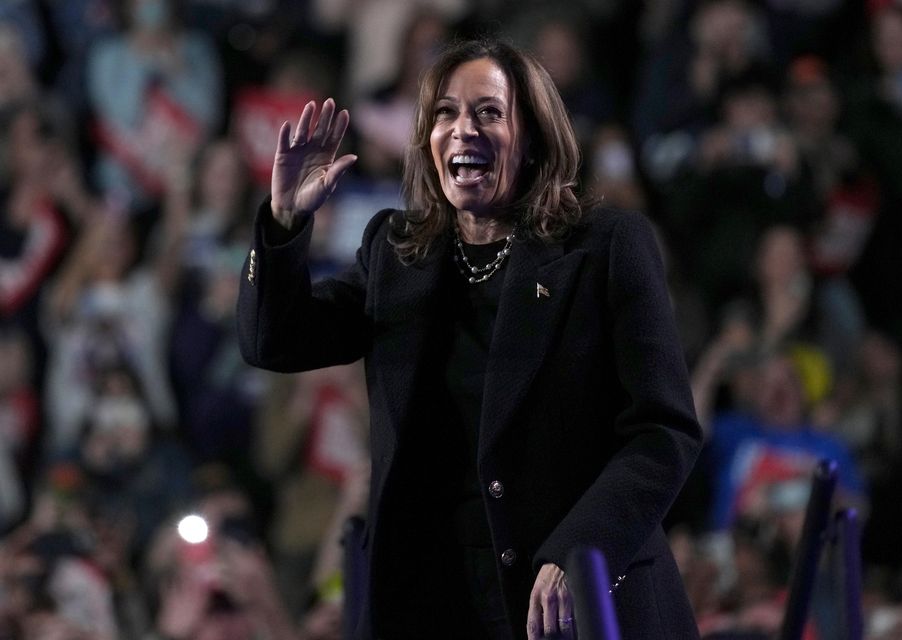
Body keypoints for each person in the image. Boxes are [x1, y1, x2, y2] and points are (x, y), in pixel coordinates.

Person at [237, 39, 702, 639]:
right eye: (446, 113)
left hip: (574, 603)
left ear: (532, 135)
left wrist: (582, 550)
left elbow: (664, 431)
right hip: (434, 603)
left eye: (488, 112)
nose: (463, 130)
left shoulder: (605, 248)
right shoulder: (397, 252)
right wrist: (284, 222)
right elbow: (275, 341)